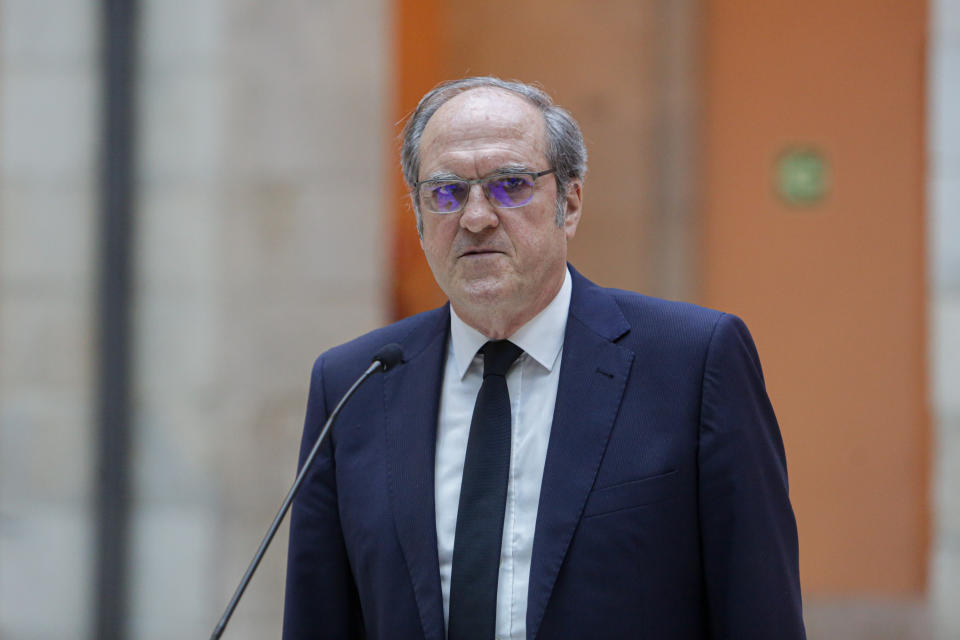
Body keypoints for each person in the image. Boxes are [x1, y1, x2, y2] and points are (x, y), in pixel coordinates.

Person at [283, 77, 805, 640]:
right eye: (447, 193)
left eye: (511, 185)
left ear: (570, 204)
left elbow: (760, 611)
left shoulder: (693, 362)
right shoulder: (355, 385)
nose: (477, 217)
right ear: (418, 216)